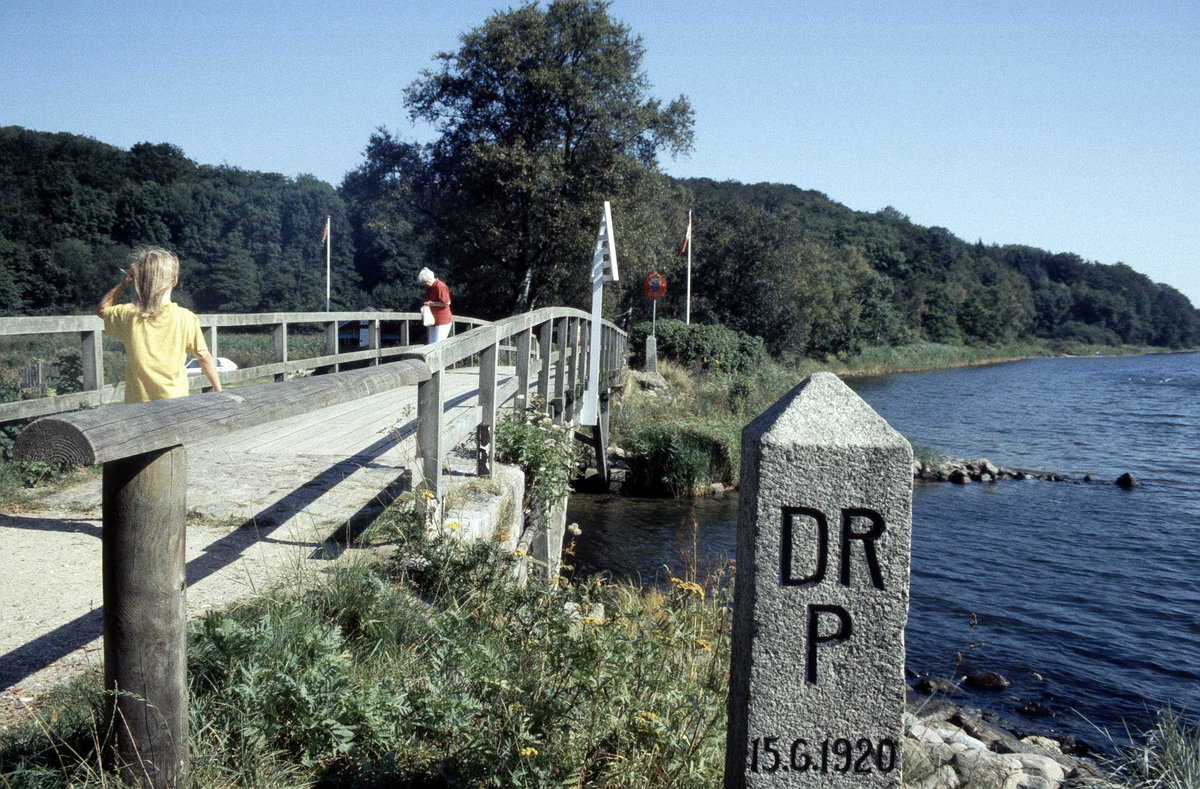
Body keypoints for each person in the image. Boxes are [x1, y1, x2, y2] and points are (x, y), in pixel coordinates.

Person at [97, 247, 223, 403]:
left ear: (138, 278)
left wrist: (124, 283)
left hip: (137, 407)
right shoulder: (186, 318)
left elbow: (103, 309)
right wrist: (218, 390)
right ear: (175, 280)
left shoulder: (128, 315)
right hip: (175, 402)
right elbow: (204, 357)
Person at [418, 267, 453, 344]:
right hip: (433, 321)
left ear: (428, 280)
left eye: (423, 282)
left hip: (442, 320)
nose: (423, 284)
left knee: (438, 344)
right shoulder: (429, 288)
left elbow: (447, 302)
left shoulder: (440, 286)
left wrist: (432, 304)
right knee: (431, 344)